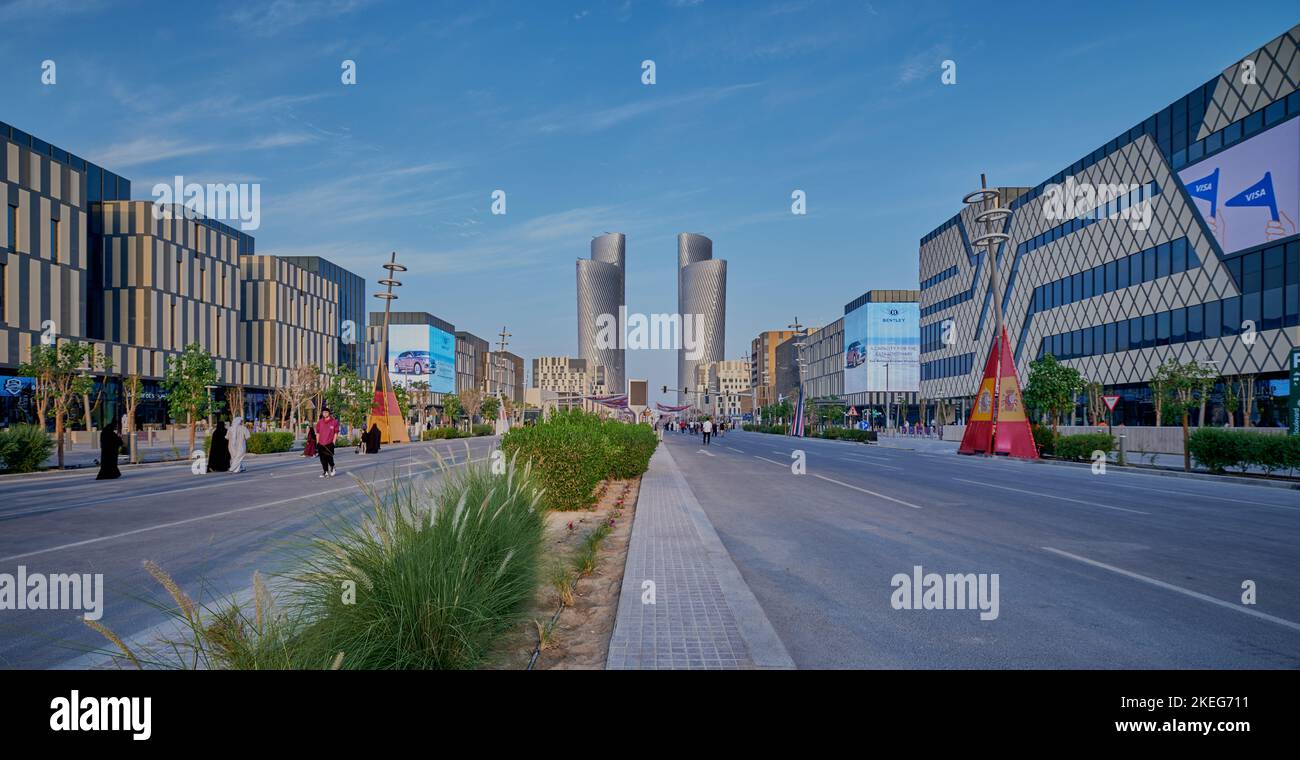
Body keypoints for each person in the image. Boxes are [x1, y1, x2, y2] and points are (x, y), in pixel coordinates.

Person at [316, 407, 340, 478]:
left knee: (329, 457)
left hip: (329, 443)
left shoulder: (334, 422)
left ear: (329, 413)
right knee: (322, 459)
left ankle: (332, 467)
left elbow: (336, 433)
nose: (325, 414)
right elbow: (318, 433)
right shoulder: (320, 422)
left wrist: (333, 443)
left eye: (326, 412)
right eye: (323, 412)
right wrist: (317, 442)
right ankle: (325, 472)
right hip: (321, 443)